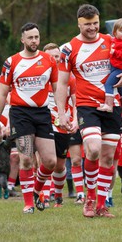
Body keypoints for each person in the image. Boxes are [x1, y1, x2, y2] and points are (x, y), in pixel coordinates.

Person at [56, 4, 122, 218]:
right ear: (79, 23)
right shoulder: (68, 49)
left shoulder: (110, 41)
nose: (92, 28)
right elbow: (62, 84)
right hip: (87, 106)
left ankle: (100, 204)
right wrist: (62, 112)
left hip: (111, 104)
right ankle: (88, 198)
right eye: (88, 24)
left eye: (95, 23)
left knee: (108, 158)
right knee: (94, 149)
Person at [0, 22, 58, 214]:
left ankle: (37, 190)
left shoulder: (49, 60)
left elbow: (57, 88)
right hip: (20, 114)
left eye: (36, 37)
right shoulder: (11, 62)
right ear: (22, 40)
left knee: (50, 161)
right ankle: (28, 203)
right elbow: (2, 94)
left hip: (43, 113)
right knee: (26, 159)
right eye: (30, 37)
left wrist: (62, 112)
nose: (34, 41)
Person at [42, 42, 78, 208]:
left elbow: (76, 102)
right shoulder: (40, 77)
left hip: (63, 125)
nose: (54, 59)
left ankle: (58, 197)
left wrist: (75, 120)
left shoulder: (69, 78)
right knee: (42, 161)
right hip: (43, 123)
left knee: (59, 165)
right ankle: (44, 195)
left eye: (57, 56)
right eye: (51, 56)